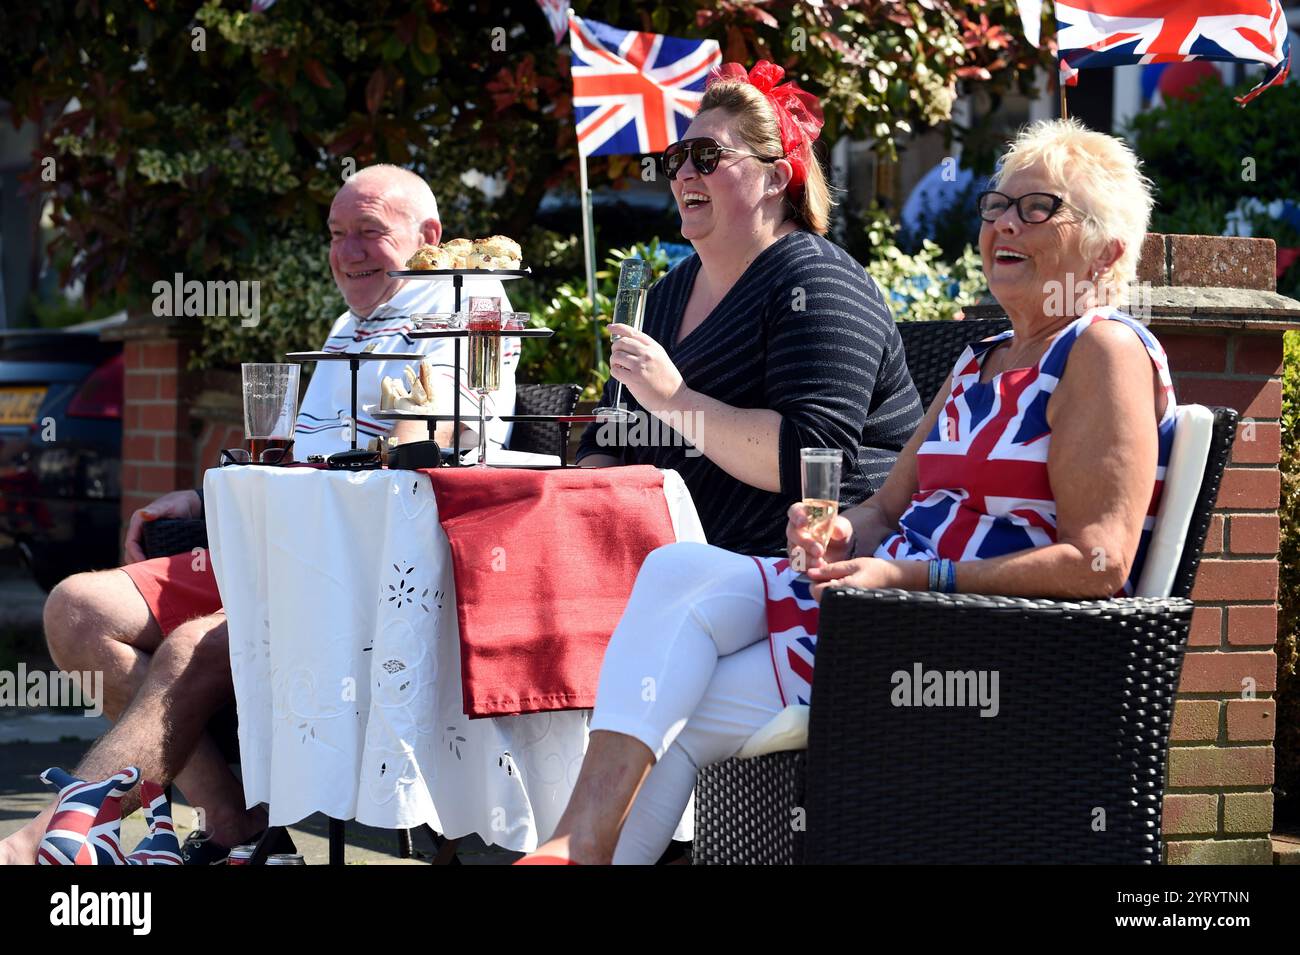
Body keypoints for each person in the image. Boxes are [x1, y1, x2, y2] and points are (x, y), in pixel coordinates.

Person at [521, 116, 1174, 864]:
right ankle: (575, 849)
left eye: (1038, 208)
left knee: (680, 702)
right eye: (997, 205)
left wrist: (906, 573)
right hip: (877, 608)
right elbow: (886, 507)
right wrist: (841, 534)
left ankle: (576, 849)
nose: (1003, 224)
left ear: (1109, 248)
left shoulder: (1101, 351)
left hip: (962, 644)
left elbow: (1099, 564)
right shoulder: (980, 359)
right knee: (673, 597)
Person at [0, 164, 516, 865]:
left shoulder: (470, 309)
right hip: (280, 549)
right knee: (77, 608)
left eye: (370, 232)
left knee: (191, 646)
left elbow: (437, 457)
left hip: (365, 573)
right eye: (337, 235)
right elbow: (304, 463)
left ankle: (54, 835)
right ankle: (241, 830)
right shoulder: (348, 324)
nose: (348, 252)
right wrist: (210, 496)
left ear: (429, 238)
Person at [575, 60, 920, 556]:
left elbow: (810, 458)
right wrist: (592, 514)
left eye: (708, 156)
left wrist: (675, 400)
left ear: (776, 177)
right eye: (678, 158)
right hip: (674, 559)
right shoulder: (669, 293)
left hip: (806, 567)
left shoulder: (819, 281)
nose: (685, 173)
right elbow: (610, 431)